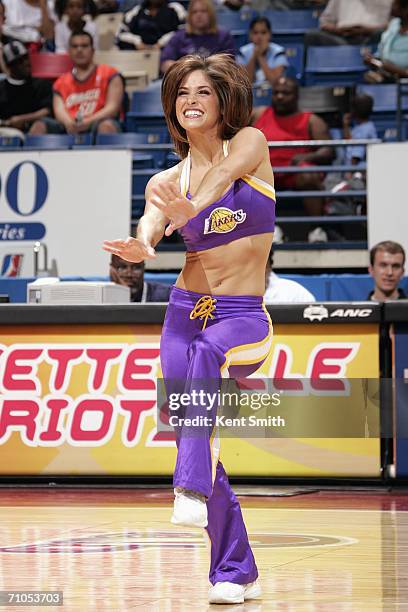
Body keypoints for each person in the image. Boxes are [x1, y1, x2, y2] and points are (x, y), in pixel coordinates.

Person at [103, 53, 275, 605]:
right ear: (172, 109)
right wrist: (144, 244)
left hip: (242, 316)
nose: (192, 101)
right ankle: (234, 568)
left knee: (204, 364)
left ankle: (188, 488)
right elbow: (152, 224)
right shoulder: (164, 179)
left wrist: (190, 209)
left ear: (223, 102)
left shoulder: (248, 144)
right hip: (186, 308)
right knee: (196, 435)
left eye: (203, 92)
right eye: (181, 94)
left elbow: (224, 176)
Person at [252, 76, 334, 217]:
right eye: (276, 92)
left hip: (294, 172)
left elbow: (329, 150)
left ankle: (316, 229)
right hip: (263, 171)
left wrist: (308, 156)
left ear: (296, 96)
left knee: (309, 175)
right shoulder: (257, 114)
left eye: (285, 93)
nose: (280, 97)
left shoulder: (311, 120)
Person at [31, 31, 124, 137]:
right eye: (75, 46)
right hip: (69, 126)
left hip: (98, 122)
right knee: (39, 126)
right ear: (69, 51)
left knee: (106, 126)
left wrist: (87, 122)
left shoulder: (110, 74)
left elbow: (112, 109)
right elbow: (59, 112)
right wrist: (70, 124)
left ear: (92, 50)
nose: (79, 50)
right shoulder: (60, 82)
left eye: (84, 46)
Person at [160, 0, 235, 73]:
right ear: (189, 16)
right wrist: (185, 72)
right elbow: (165, 63)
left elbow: (229, 65)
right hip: (183, 79)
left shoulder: (223, 36)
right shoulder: (179, 36)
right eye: (194, 12)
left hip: (215, 80)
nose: (199, 15)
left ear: (211, 14)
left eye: (203, 11)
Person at [0, 40, 52, 137]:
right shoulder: (1, 88)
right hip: (5, 134)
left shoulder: (41, 84)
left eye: (26, 58)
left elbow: (47, 111)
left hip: (36, 132)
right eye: (20, 61)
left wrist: (22, 119)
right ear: (9, 66)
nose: (26, 63)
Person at [305, 0, 393, 47]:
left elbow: (394, 24)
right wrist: (338, 30)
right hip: (342, 38)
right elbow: (324, 23)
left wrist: (366, 30)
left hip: (372, 38)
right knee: (312, 35)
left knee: (381, 34)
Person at [364, 0, 408, 83]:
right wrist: (374, 59)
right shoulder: (394, 23)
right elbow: (383, 46)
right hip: (384, 72)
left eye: (396, 5)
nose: (392, 7)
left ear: (405, 10)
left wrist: (397, 70)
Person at [237, 16, 288, 87]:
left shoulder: (279, 52)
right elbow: (244, 83)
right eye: (255, 33)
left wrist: (261, 57)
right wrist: (254, 56)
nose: (259, 37)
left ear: (270, 34)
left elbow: (275, 83)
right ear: (250, 35)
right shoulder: (242, 52)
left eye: (263, 32)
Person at [116, 0, 184, 51]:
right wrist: (137, 42)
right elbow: (121, 32)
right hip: (141, 52)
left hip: (168, 52)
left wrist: (161, 43)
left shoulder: (175, 8)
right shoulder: (137, 10)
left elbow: (184, 29)